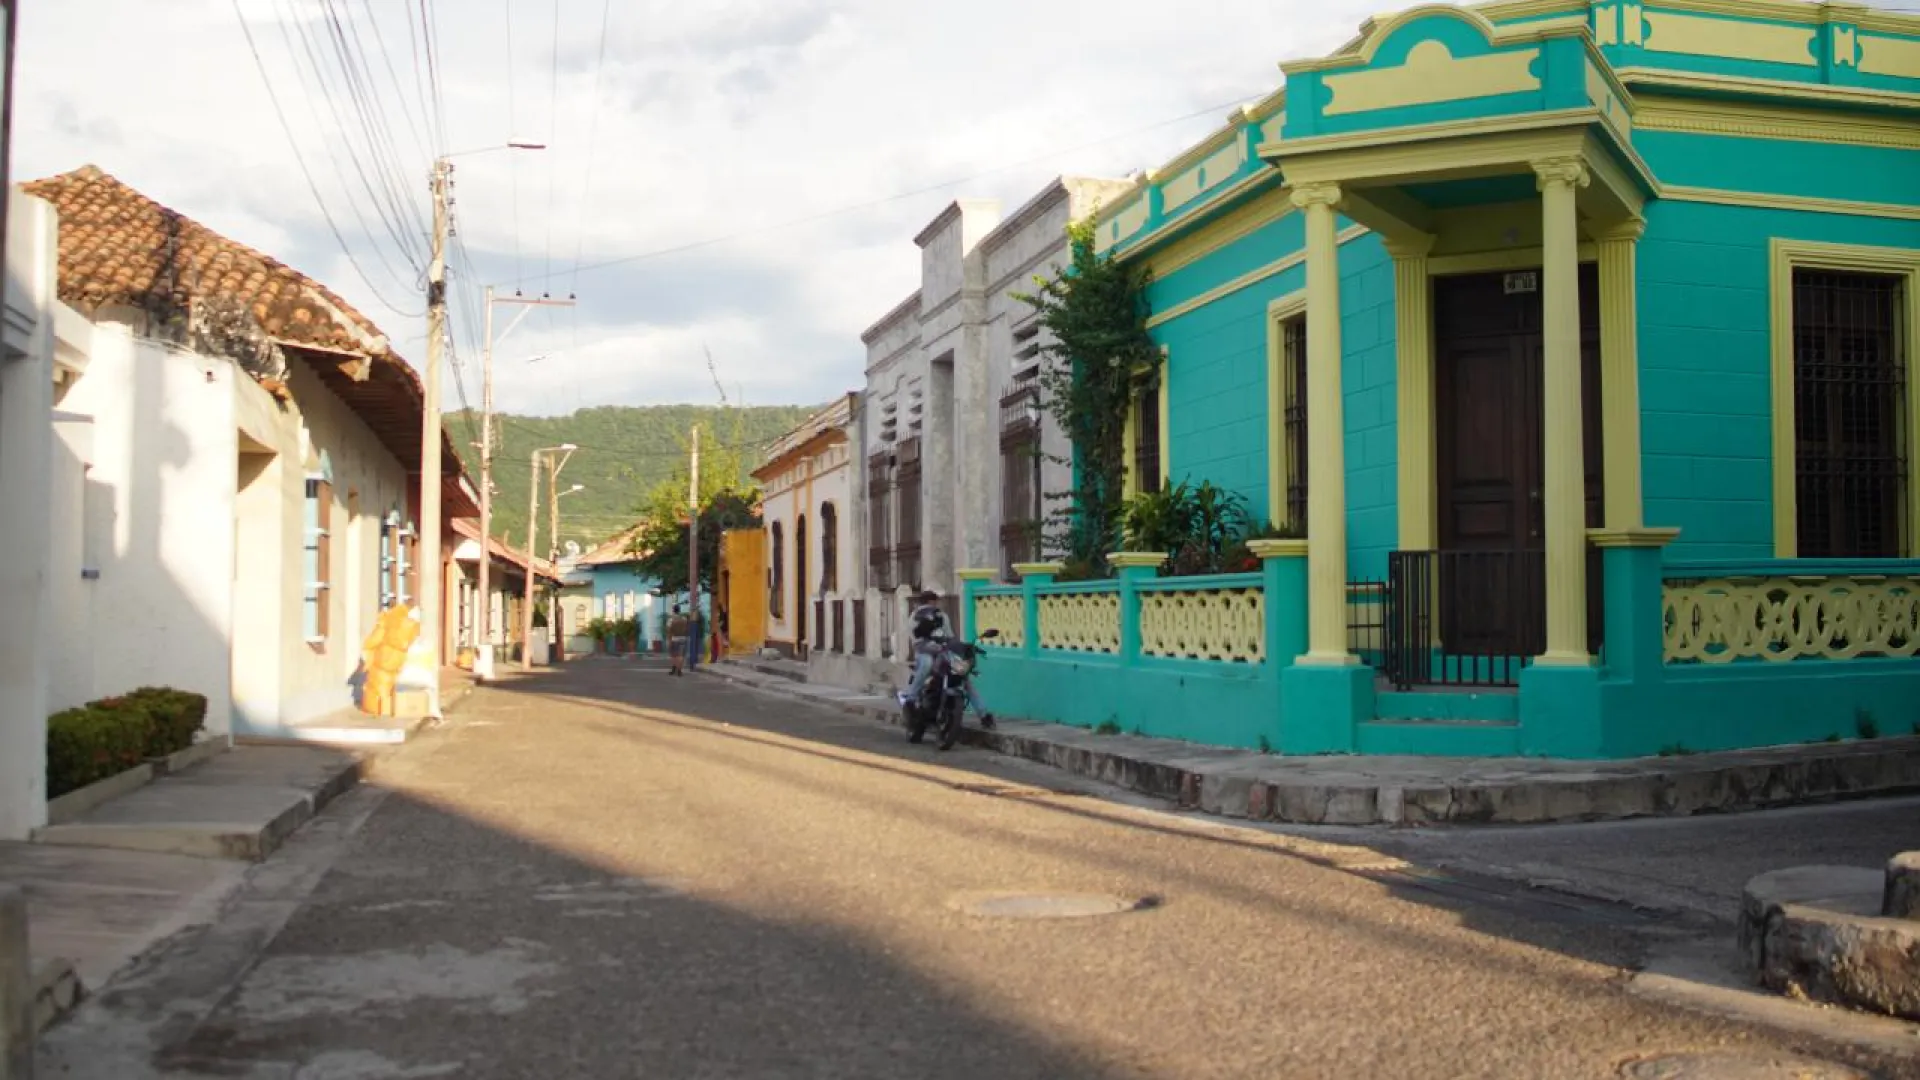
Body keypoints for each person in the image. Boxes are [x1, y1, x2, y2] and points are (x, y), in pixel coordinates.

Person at [897, 589, 994, 729]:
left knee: (963, 678)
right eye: (932, 601)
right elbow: (915, 637)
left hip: (943, 651)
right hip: (925, 651)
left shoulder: (942, 616)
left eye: (934, 602)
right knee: (926, 665)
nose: (934, 604)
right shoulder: (916, 616)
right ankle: (910, 700)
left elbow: (949, 636)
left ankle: (984, 715)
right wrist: (926, 639)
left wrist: (961, 647)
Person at [666, 606, 689, 676]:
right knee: (681, 655)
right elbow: (687, 628)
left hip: (674, 638)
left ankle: (674, 668)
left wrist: (669, 640)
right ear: (679, 610)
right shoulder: (684, 619)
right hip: (683, 638)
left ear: (673, 611)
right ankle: (679, 670)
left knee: (674, 655)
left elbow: (668, 630)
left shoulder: (671, 619)